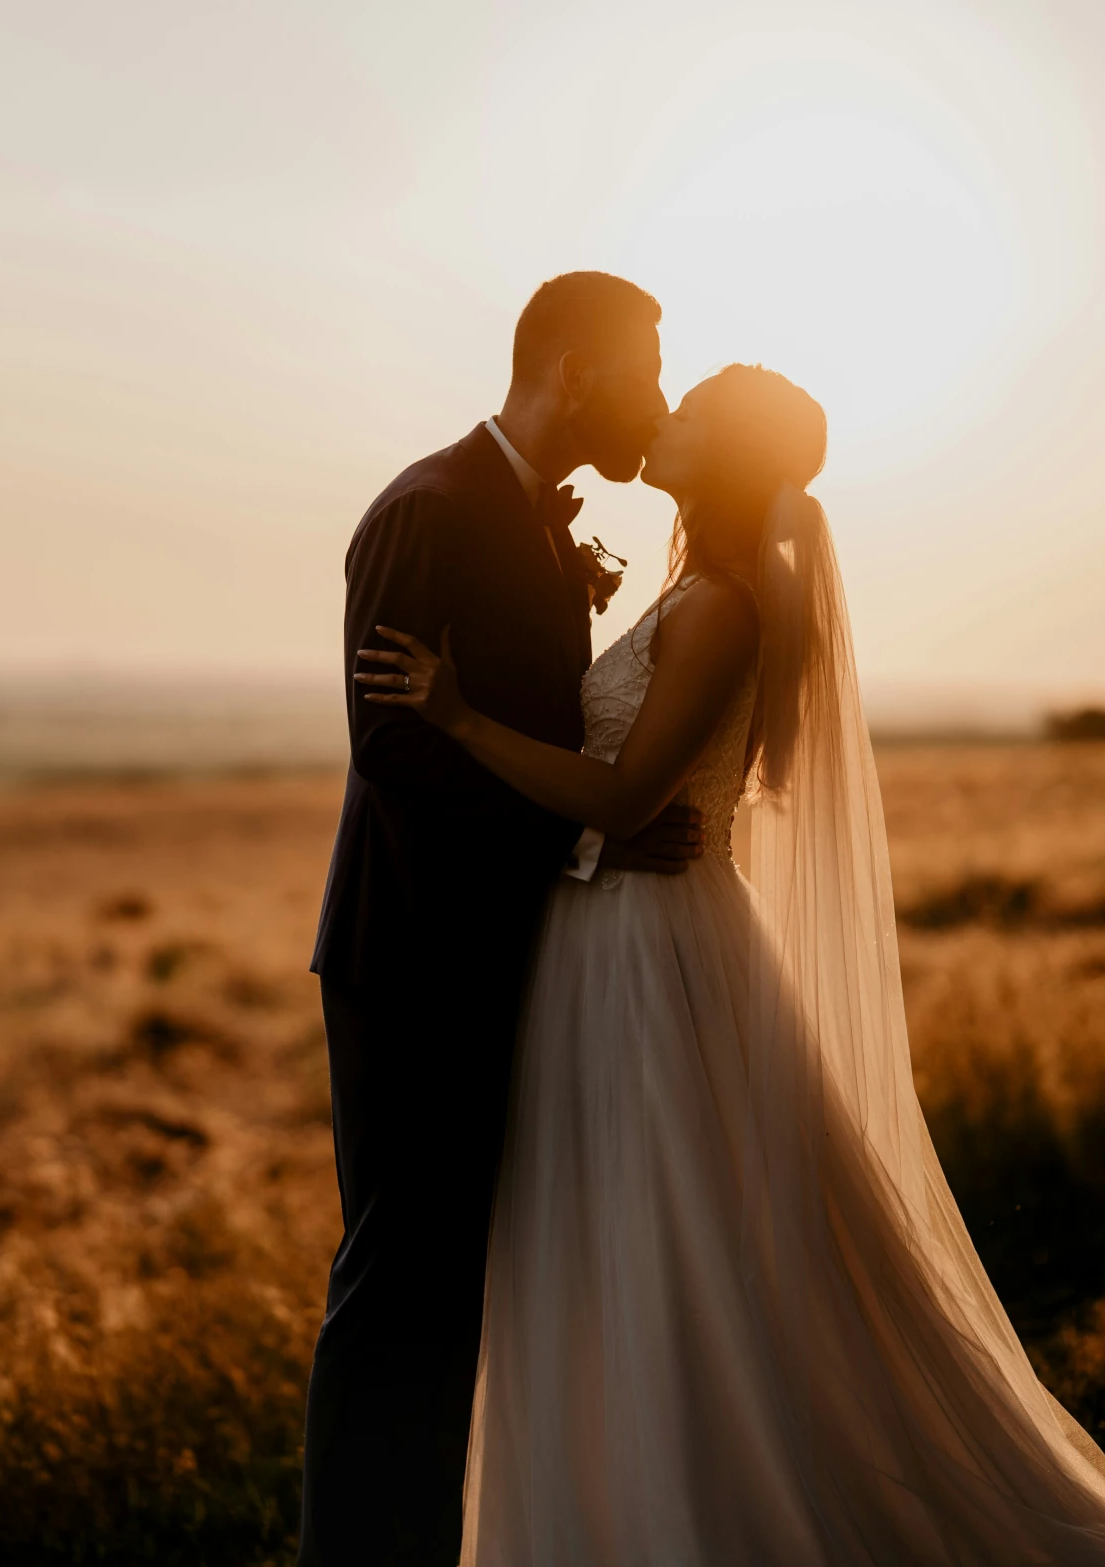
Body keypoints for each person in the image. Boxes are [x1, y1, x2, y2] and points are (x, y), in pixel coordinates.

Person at [358, 365, 1105, 1566]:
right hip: (600, 938)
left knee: (664, 1242)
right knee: (603, 1236)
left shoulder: (722, 607)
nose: (660, 417)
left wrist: (458, 719)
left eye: (690, 412)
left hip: (646, 951)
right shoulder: (684, 595)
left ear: (725, 458)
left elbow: (623, 794)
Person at [301, 272, 706, 1566]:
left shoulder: (533, 521)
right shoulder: (428, 509)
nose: (653, 395)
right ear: (576, 369)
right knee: (397, 1292)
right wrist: (591, 824)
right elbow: (394, 746)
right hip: (415, 955)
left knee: (454, 1294)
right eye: (643, 367)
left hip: (495, 954)